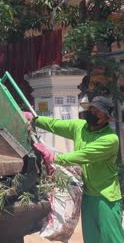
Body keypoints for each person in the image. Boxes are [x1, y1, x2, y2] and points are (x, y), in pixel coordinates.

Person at [25, 96, 124, 243]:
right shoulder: (80, 127)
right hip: (88, 196)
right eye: (91, 109)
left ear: (106, 117)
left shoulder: (110, 139)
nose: (92, 112)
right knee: (92, 239)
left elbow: (84, 155)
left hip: (106, 197)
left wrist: (54, 157)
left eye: (97, 111)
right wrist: (35, 119)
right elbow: (55, 124)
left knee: (112, 239)